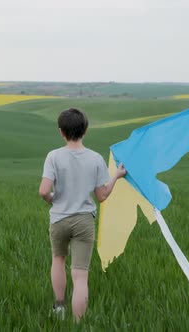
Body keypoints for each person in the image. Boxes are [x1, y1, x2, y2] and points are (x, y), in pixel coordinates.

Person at [39, 108, 126, 322]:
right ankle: (79, 324)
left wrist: (52, 199)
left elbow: (43, 190)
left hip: (59, 218)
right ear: (85, 130)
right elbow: (102, 195)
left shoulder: (53, 156)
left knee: (58, 260)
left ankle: (59, 308)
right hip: (84, 221)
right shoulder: (95, 159)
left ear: (61, 132)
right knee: (80, 275)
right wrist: (116, 176)